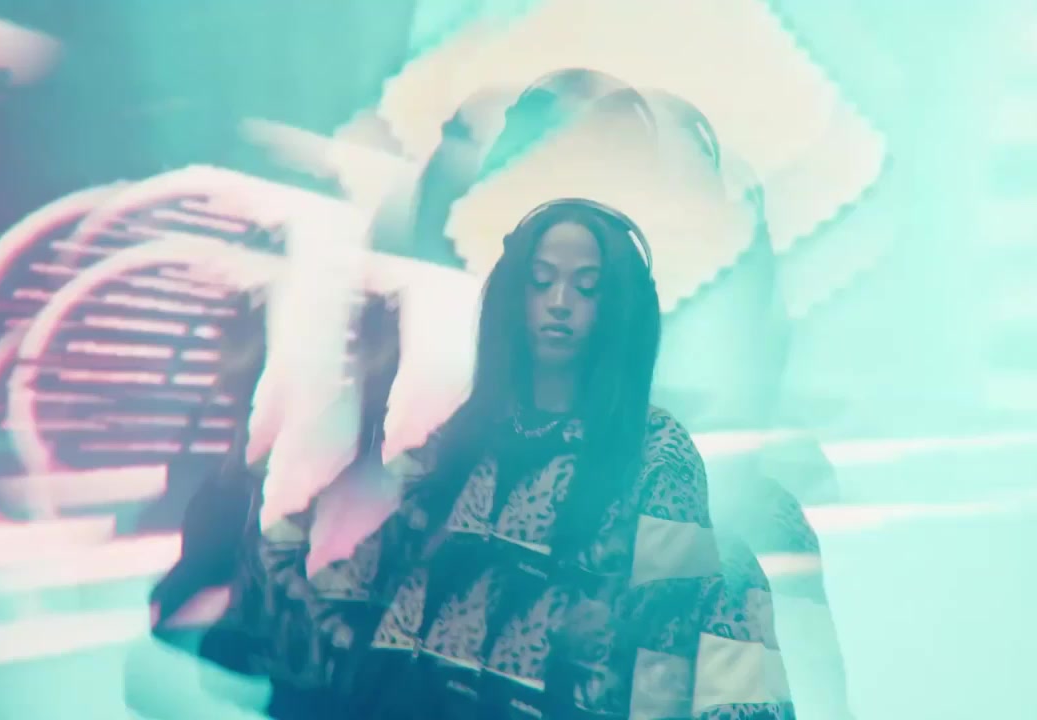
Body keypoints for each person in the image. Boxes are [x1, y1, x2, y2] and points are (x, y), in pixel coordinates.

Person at [194, 198, 795, 719]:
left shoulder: (657, 452)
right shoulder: (467, 436)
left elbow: (669, 638)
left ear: (619, 309)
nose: (560, 302)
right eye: (541, 281)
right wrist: (278, 562)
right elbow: (369, 576)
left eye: (587, 287)